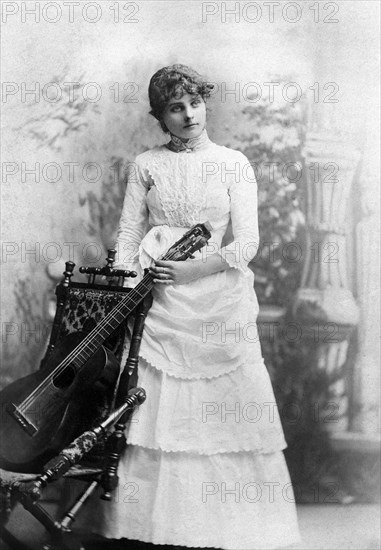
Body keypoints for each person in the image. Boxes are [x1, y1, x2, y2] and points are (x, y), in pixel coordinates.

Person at [90, 64, 300, 550]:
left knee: (221, 409)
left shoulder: (233, 162)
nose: (188, 115)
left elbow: (247, 242)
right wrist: (125, 283)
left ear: (205, 103)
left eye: (195, 103)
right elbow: (128, 234)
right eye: (175, 108)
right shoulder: (146, 164)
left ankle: (236, 530)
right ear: (160, 118)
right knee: (157, 410)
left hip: (216, 296)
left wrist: (193, 271)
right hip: (157, 298)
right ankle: (154, 531)